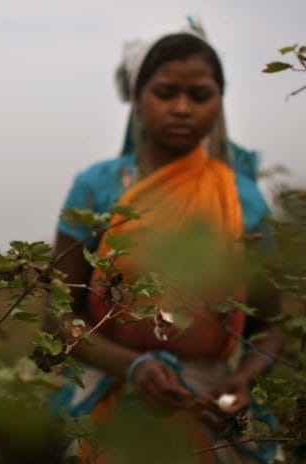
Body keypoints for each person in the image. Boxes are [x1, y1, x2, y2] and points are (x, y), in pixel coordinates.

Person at [47, 25, 283, 463]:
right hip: (107, 393)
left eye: (199, 95)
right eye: (165, 92)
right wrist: (131, 367)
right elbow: (56, 314)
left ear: (219, 102)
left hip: (209, 403)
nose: (181, 108)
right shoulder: (98, 188)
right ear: (137, 99)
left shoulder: (242, 199)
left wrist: (244, 379)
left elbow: (270, 325)